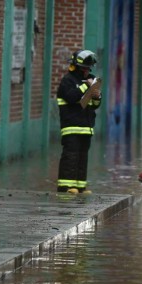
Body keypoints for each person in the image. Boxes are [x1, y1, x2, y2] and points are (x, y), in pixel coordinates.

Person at [56, 49, 101, 195]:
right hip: (71, 126)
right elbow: (71, 97)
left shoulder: (91, 80)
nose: (87, 71)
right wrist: (86, 86)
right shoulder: (67, 81)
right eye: (85, 68)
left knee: (82, 158)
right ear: (76, 67)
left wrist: (97, 96)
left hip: (86, 127)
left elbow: (94, 106)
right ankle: (66, 187)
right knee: (71, 157)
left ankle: (80, 187)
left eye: (89, 69)